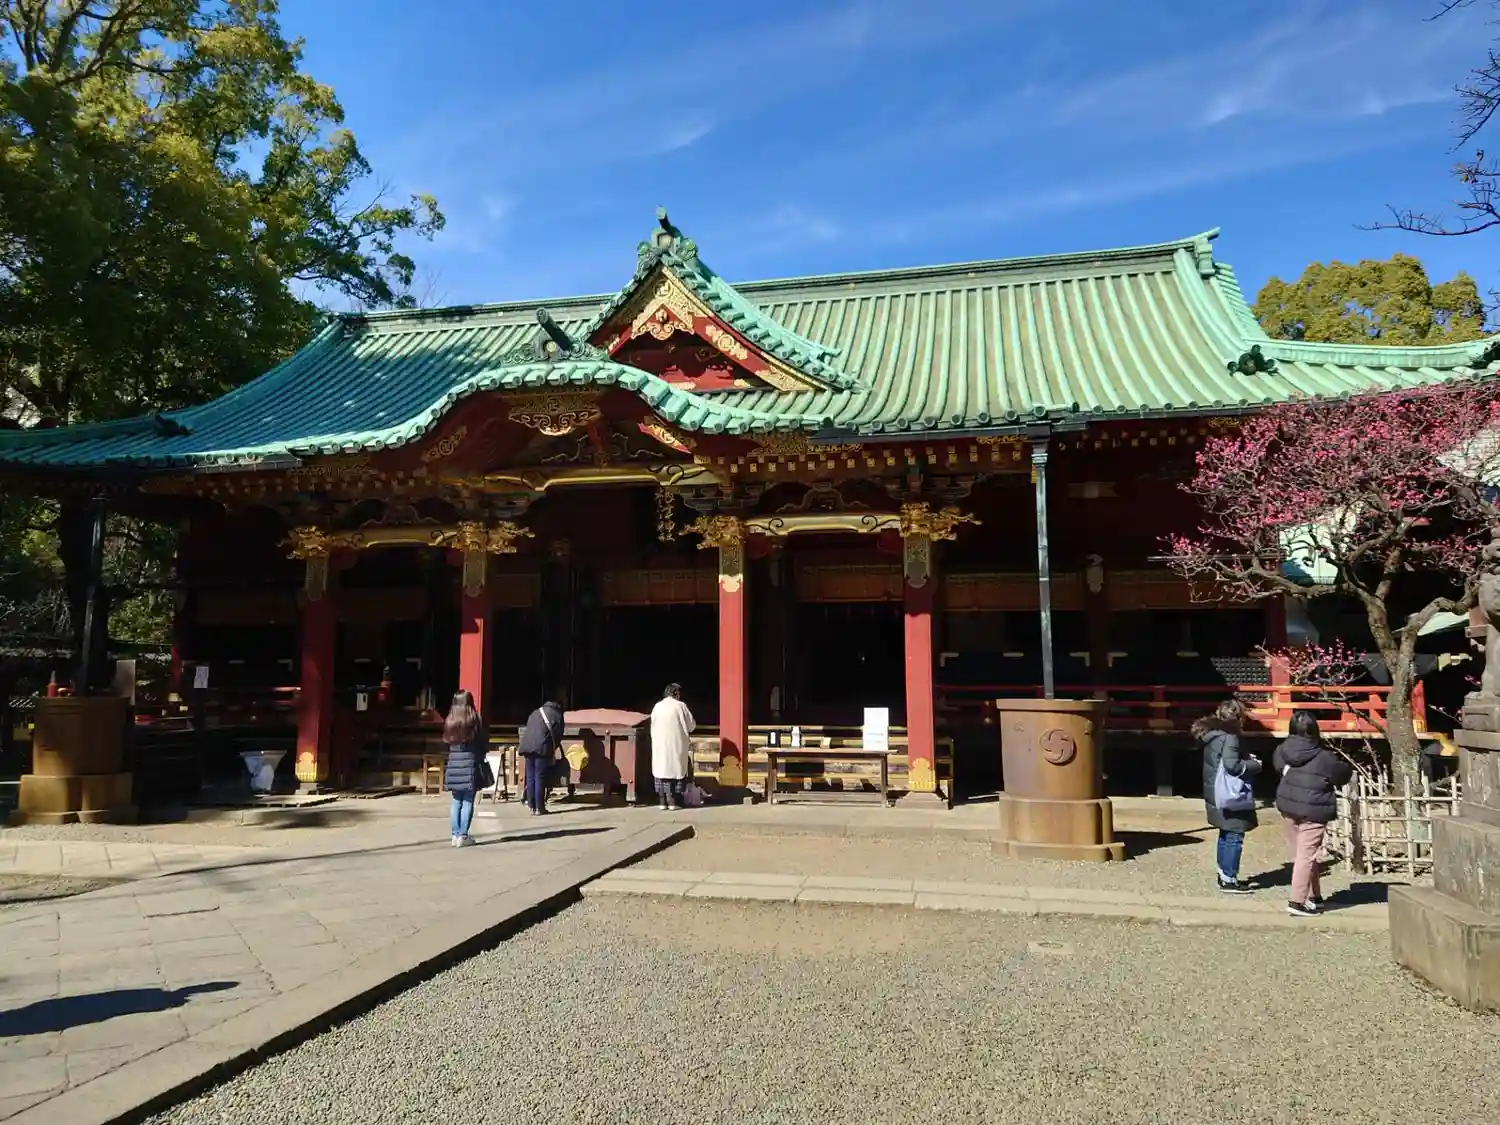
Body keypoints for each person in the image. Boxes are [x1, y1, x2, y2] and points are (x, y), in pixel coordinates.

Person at [1274, 709, 1353, 917]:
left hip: (1288, 804)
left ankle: (1314, 896)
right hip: (1314, 807)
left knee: (1301, 853)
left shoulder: (1282, 750)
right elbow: (1342, 775)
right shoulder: (1324, 756)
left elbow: (1278, 766)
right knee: (1307, 855)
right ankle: (1296, 901)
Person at [1195, 698, 1261, 894]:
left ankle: (1224, 873)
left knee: (1226, 832)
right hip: (1230, 794)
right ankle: (1229, 878)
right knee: (1234, 834)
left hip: (1216, 790)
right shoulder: (1231, 737)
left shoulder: (1214, 735)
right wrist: (1254, 765)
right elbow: (1232, 766)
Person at [442, 690, 487, 848]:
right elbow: (482, 741)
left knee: (456, 800)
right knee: (468, 800)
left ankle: (455, 835)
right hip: (470, 762)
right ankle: (463, 835)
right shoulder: (474, 719)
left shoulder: (450, 719)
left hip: (454, 761)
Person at [649, 683, 696, 811]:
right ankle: (673, 801)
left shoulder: (657, 706)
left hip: (660, 744)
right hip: (677, 744)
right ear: (677, 693)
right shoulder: (681, 706)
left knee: (661, 770)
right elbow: (691, 725)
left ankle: (662, 802)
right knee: (676, 771)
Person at [518, 700, 565, 816]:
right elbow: (558, 735)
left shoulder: (535, 713)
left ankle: (531, 806)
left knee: (530, 777)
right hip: (542, 749)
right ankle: (540, 807)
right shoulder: (557, 715)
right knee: (540, 777)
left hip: (528, 748)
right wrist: (553, 748)